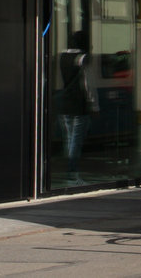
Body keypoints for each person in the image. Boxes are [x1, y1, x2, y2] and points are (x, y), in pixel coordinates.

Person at [59, 30, 96, 185]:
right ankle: (72, 173)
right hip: (79, 104)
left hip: (64, 103)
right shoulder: (83, 58)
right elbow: (88, 84)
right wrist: (94, 104)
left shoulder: (62, 56)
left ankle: (69, 170)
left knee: (68, 139)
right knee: (76, 141)